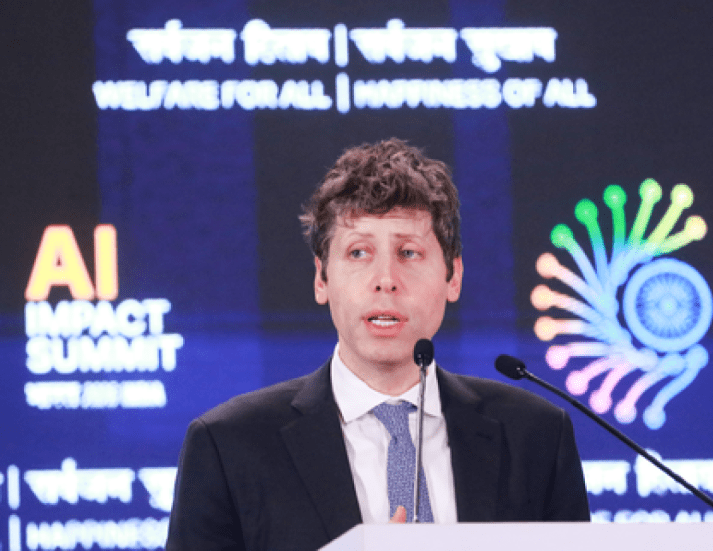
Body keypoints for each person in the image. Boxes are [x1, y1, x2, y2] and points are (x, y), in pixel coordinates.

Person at [165, 138, 590, 551]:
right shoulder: (229, 445)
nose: (385, 280)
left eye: (408, 253)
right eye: (358, 253)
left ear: (453, 276)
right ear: (321, 278)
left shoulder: (536, 436)